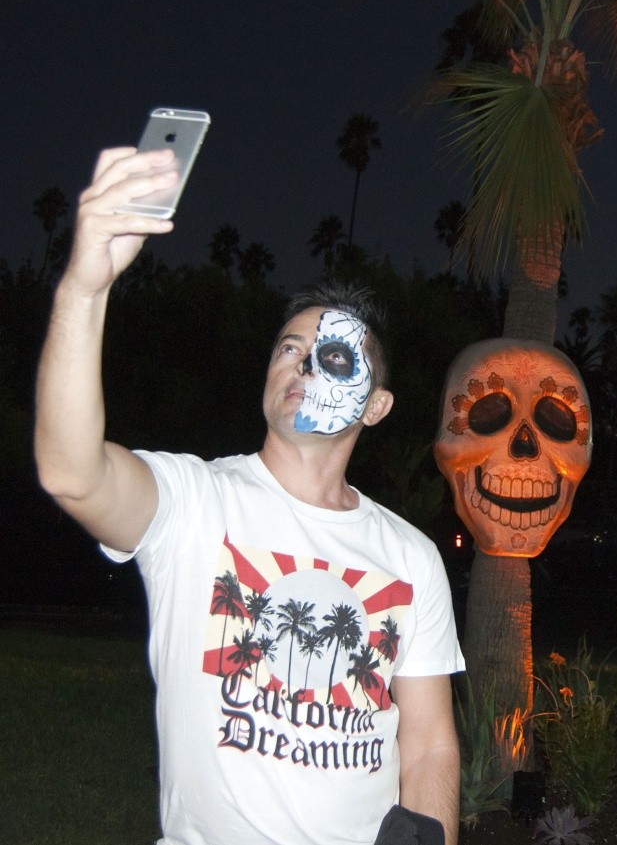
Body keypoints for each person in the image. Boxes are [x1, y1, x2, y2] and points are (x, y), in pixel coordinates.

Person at [34, 146, 465, 845]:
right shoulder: (193, 502)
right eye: (288, 348)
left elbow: (429, 747)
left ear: (376, 405)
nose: (302, 362)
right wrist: (83, 289)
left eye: (332, 356)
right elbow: (71, 473)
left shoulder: (411, 557)